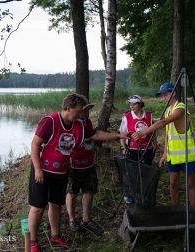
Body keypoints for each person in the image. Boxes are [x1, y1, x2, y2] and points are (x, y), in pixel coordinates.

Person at [28, 93, 87, 252]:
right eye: (79, 110)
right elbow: (35, 145)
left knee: (56, 205)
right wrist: (38, 169)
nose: (81, 114)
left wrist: (118, 136)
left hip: (61, 172)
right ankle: (33, 242)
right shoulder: (50, 121)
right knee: (38, 207)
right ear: (68, 108)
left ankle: (55, 236)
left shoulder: (78, 124)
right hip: (42, 171)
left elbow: (94, 134)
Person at [66, 99, 128, 234]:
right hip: (73, 165)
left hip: (88, 164)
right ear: (78, 110)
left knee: (89, 191)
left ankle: (86, 219)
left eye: (88, 109)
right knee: (72, 192)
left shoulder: (87, 122)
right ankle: (72, 220)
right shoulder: (70, 123)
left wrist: (117, 135)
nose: (87, 112)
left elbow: (96, 134)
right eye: (85, 109)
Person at [133, 82, 195, 207]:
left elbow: (163, 123)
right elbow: (168, 134)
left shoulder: (181, 107)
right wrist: (164, 153)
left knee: (190, 184)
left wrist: (143, 132)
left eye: (165, 94)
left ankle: (194, 210)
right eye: (162, 95)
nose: (163, 98)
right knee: (173, 184)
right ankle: (175, 209)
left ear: (173, 93)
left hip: (187, 154)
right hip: (173, 155)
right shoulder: (168, 109)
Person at [119, 95, 156, 204]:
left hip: (147, 149)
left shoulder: (149, 116)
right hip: (132, 149)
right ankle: (130, 195)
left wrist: (155, 143)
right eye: (130, 104)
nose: (132, 106)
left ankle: (144, 194)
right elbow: (122, 134)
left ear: (140, 104)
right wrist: (123, 148)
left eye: (134, 103)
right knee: (132, 173)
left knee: (146, 172)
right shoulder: (127, 117)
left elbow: (153, 131)